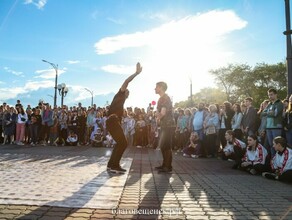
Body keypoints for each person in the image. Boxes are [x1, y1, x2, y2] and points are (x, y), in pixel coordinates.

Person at [106, 62, 142, 174]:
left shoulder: (121, 103)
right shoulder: (119, 94)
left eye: (128, 92)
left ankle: (111, 164)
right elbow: (126, 82)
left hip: (112, 122)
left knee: (120, 143)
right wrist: (136, 73)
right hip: (112, 121)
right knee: (123, 143)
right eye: (127, 91)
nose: (128, 92)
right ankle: (114, 166)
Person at [154, 81, 174, 173]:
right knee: (163, 145)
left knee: (167, 145)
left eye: (156, 87)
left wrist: (157, 116)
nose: (155, 88)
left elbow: (162, 113)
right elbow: (159, 114)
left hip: (168, 124)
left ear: (161, 87)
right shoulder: (161, 99)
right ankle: (164, 164)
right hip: (163, 124)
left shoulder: (165, 98)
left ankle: (168, 166)